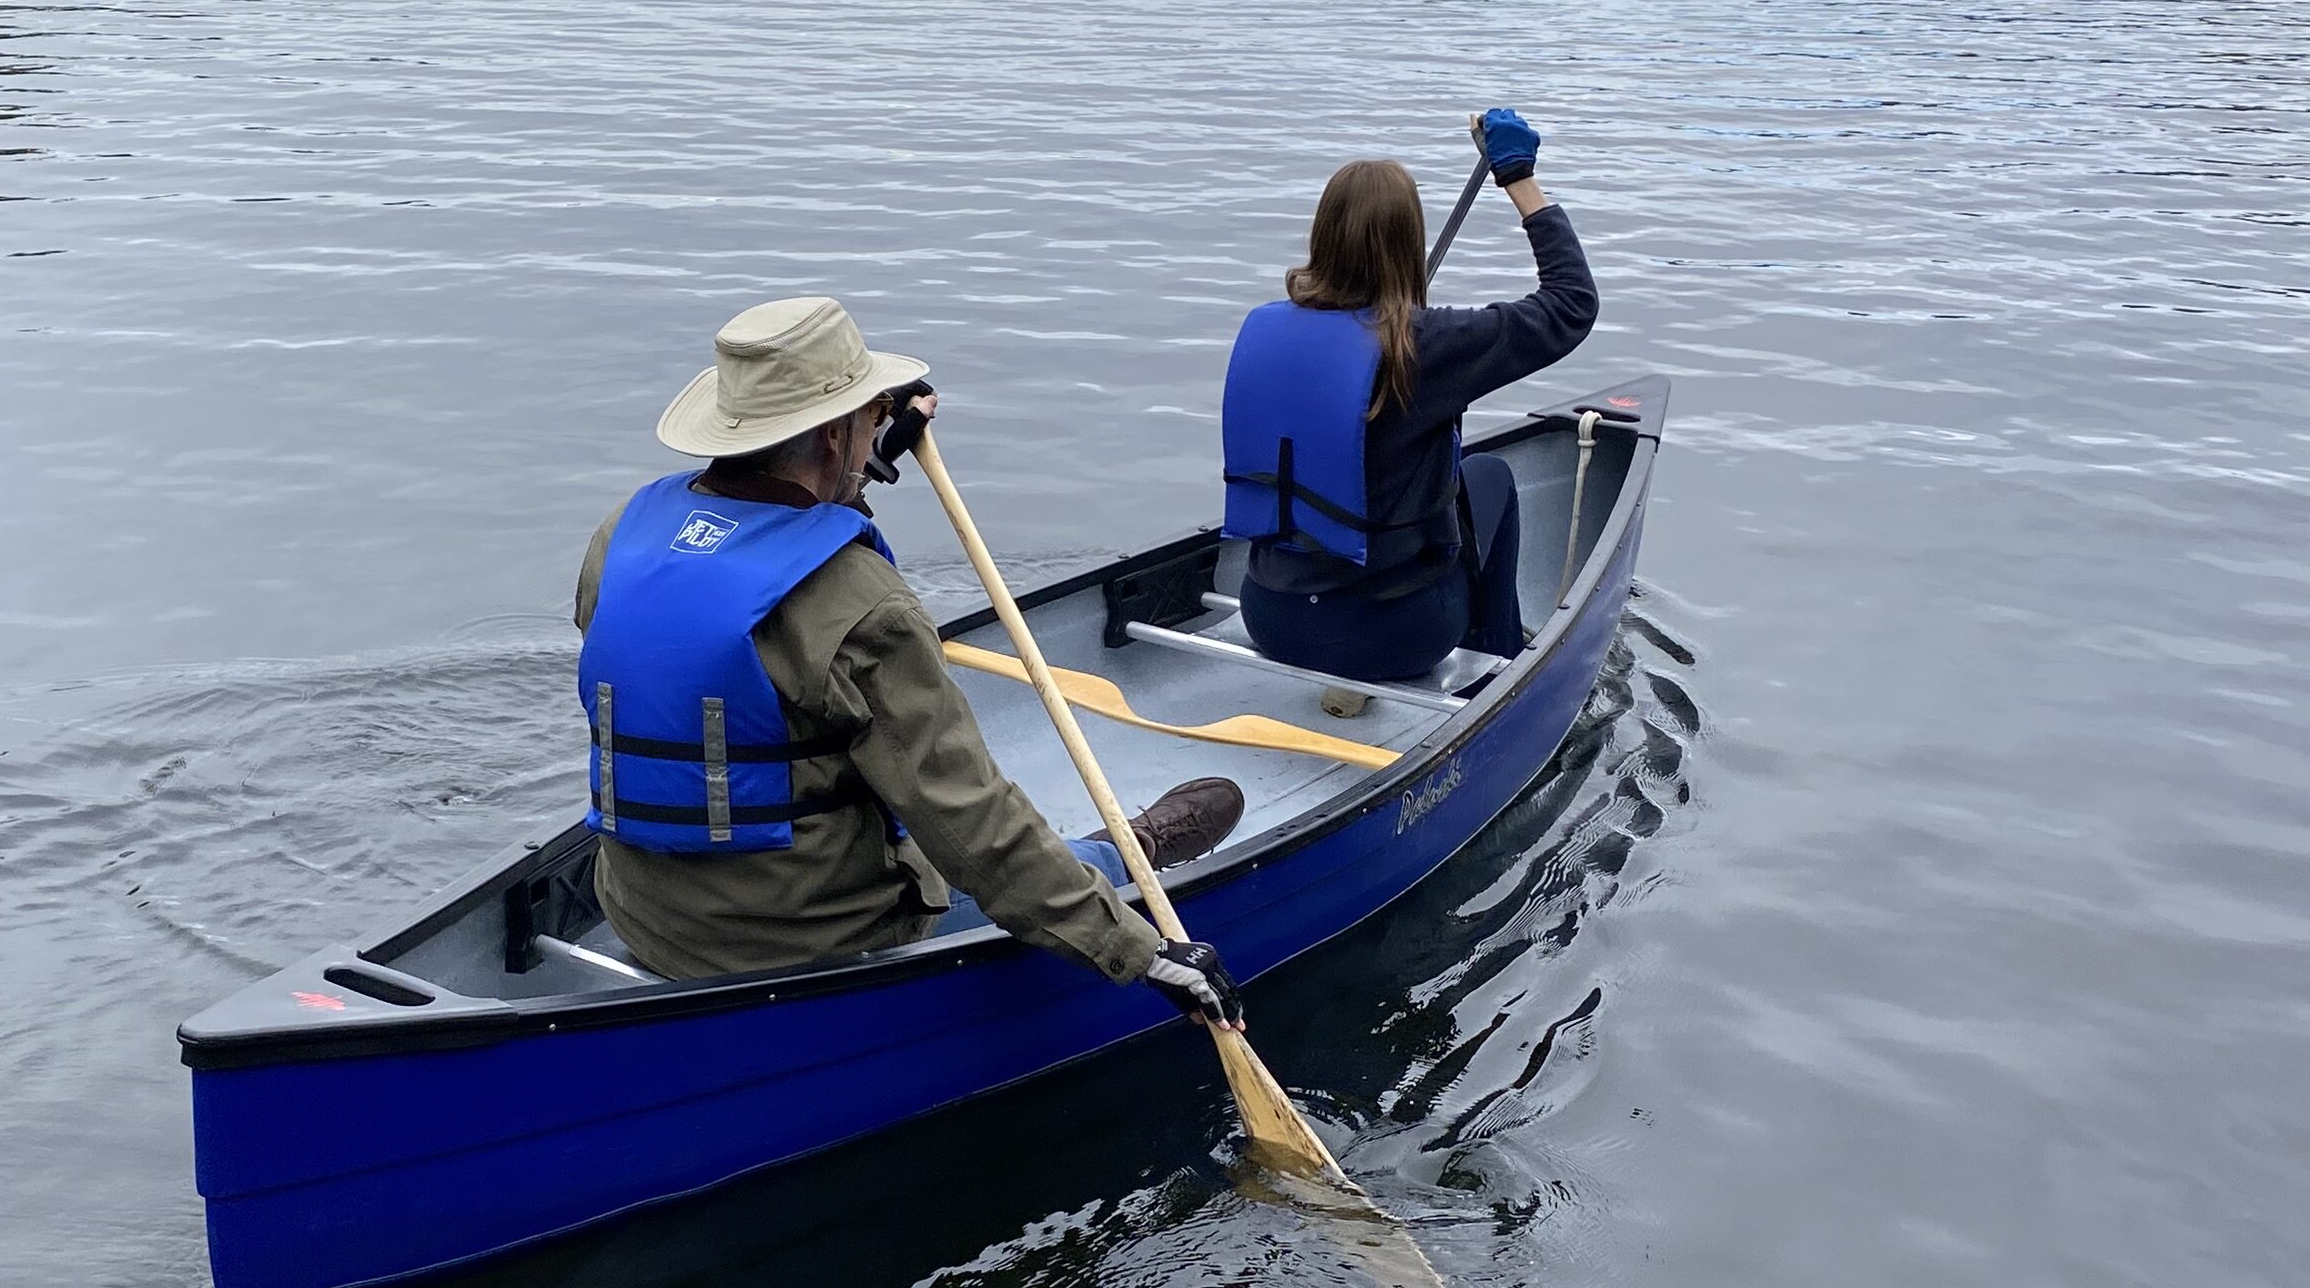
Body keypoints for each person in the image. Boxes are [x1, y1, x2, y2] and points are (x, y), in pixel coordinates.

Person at [574, 294, 1247, 1018]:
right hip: (810, 944)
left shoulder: (623, 538)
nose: (875, 434)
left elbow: (763, 573)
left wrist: (866, 463)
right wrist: (1141, 953)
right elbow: (971, 825)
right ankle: (1127, 854)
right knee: (1022, 857)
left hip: (644, 914)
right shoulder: (867, 607)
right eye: (870, 421)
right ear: (832, 438)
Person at [1223, 107, 1599, 686]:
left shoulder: (1269, 330)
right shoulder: (1426, 344)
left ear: (1323, 234)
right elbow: (1571, 303)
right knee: (1489, 476)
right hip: (1390, 638)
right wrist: (1519, 177)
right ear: (1408, 243)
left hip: (1271, 618)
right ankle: (1494, 672)